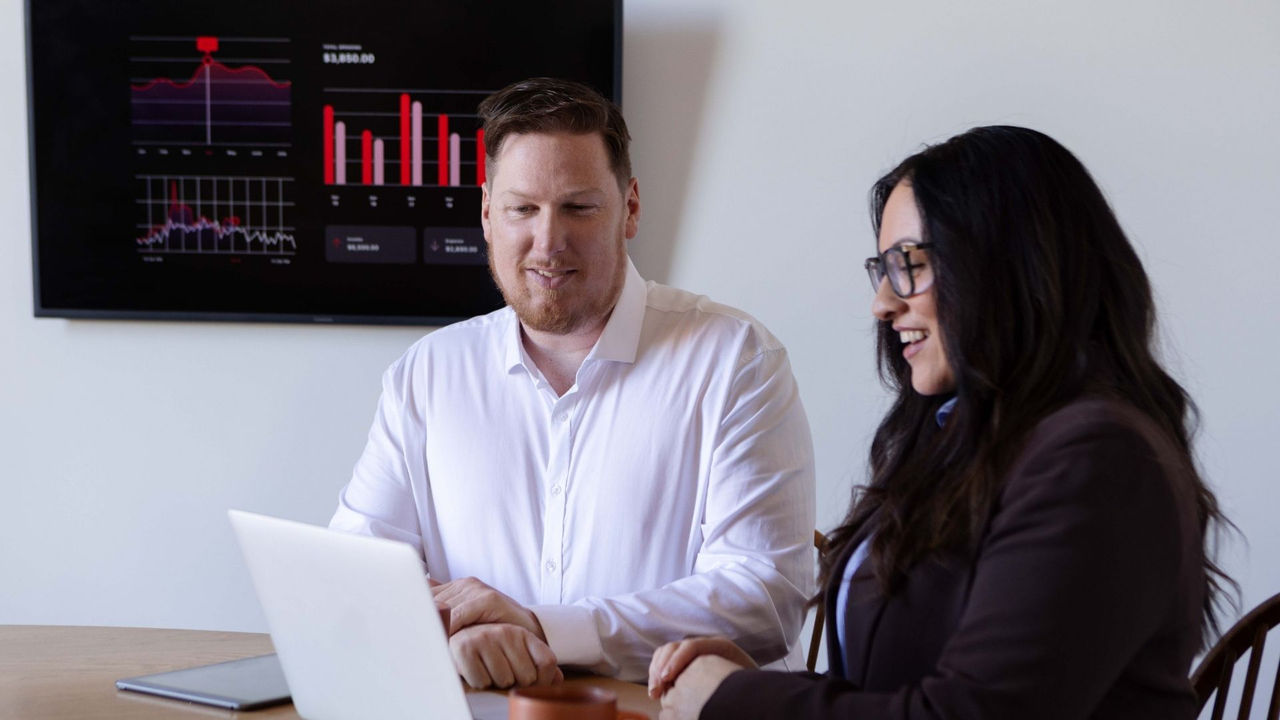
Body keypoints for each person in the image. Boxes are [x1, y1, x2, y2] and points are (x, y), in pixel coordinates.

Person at [648, 125, 1232, 720]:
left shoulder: (1098, 457)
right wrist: (757, 684)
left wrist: (733, 699)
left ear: (1010, 263)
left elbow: (970, 713)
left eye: (910, 264)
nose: (883, 302)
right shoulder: (961, 438)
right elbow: (907, 679)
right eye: (882, 267)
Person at [328, 77, 816, 689]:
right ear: (486, 214)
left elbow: (765, 598)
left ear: (631, 208)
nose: (548, 241)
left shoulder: (737, 360)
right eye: (522, 208)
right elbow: (352, 573)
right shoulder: (427, 374)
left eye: (579, 207)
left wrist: (542, 627)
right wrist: (454, 622)